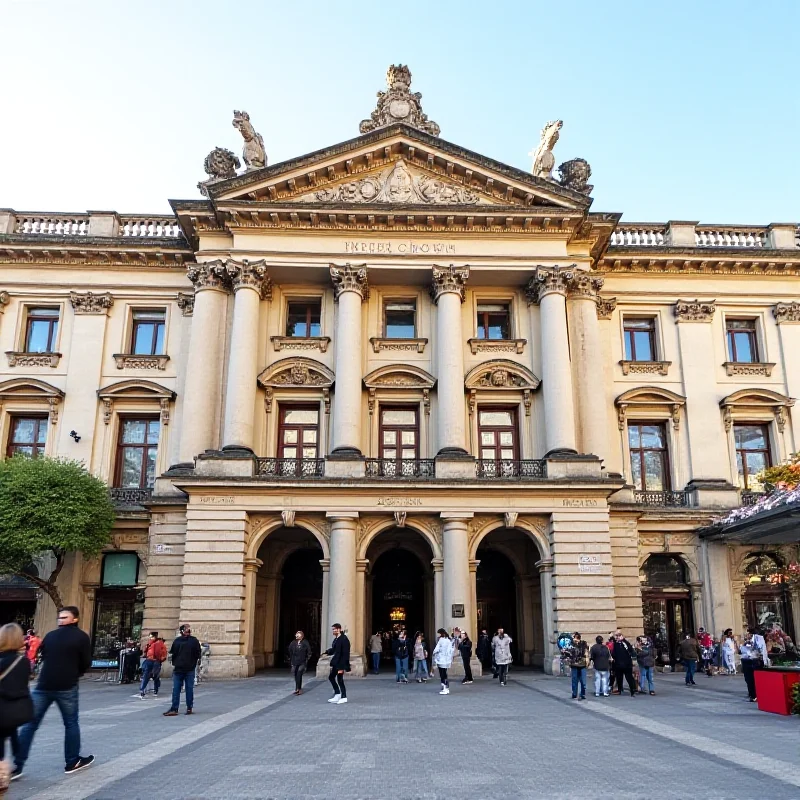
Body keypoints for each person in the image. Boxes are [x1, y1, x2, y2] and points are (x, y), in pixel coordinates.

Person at [15, 606, 94, 776]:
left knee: (31, 724)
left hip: (44, 685)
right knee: (71, 723)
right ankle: (72, 761)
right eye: (60, 617)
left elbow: (44, 655)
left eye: (64, 617)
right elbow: (86, 662)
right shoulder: (82, 637)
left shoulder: (50, 635)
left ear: (75, 618)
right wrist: (77, 672)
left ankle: (17, 765)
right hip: (67, 686)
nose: (60, 619)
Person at [0, 624, 33, 788]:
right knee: (11, 730)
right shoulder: (24, 661)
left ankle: (2, 775)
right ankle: (17, 758)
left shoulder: (1, 661)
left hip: (3, 709)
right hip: (18, 708)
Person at [163, 624, 201, 717]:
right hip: (190, 668)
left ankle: (174, 708)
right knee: (189, 689)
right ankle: (189, 708)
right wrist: (193, 663)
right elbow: (198, 654)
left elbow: (172, 654)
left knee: (176, 689)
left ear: (181, 632)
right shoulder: (194, 641)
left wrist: (174, 663)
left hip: (178, 668)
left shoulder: (177, 641)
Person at [325, 623, 350, 704]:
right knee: (331, 677)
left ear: (339, 629)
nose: (333, 631)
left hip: (340, 663)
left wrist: (343, 666)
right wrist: (327, 652)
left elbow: (346, 653)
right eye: (332, 629)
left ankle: (344, 696)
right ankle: (337, 694)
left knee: (340, 680)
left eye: (334, 629)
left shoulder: (344, 639)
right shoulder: (336, 639)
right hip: (336, 662)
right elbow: (334, 649)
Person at [140, 631, 167, 699]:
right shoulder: (150, 643)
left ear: (155, 636)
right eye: (150, 637)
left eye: (151, 637)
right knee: (146, 674)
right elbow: (146, 651)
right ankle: (142, 689)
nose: (150, 638)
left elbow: (164, 653)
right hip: (149, 660)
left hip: (156, 661)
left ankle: (156, 688)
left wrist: (161, 659)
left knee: (155, 675)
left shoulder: (160, 643)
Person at [611, 630, 637, 697]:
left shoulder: (625, 643)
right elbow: (613, 654)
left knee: (629, 678)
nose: (618, 638)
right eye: (617, 636)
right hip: (618, 665)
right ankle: (619, 690)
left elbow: (631, 650)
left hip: (627, 664)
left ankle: (632, 690)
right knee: (619, 678)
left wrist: (624, 640)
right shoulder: (615, 644)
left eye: (619, 636)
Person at [288, 630, 312, 695]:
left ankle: (299, 689)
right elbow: (290, 650)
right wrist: (291, 659)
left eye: (298, 634)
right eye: (296, 634)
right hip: (295, 661)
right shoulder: (293, 642)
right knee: (295, 674)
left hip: (302, 661)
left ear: (301, 636)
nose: (296, 635)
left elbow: (309, 651)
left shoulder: (305, 642)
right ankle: (297, 688)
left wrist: (306, 659)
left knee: (299, 673)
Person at [432, 628, 454, 695]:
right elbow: (450, 650)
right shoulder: (448, 640)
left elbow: (437, 648)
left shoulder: (441, 640)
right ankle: (446, 687)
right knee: (444, 673)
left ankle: (444, 687)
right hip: (446, 659)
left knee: (442, 673)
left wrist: (434, 653)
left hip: (441, 659)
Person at [568, 632, 589, 700]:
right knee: (574, 680)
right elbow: (568, 653)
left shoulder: (583, 644)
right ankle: (574, 694)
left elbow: (586, 653)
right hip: (574, 665)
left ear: (577, 638)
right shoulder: (571, 644)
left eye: (574, 637)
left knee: (583, 681)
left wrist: (587, 661)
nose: (573, 639)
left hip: (582, 664)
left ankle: (582, 694)